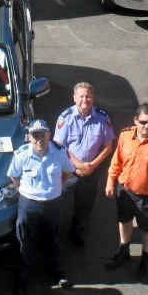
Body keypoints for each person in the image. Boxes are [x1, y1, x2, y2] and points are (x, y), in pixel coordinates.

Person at [104, 103, 148, 283]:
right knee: (124, 220)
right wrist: (110, 181)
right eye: (143, 122)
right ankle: (124, 250)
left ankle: (146, 257)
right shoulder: (125, 136)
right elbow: (117, 161)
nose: (146, 127)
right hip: (125, 191)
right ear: (135, 120)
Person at [7, 119, 75, 294]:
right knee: (25, 241)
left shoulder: (59, 152)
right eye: (35, 135)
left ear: (49, 135)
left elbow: (67, 172)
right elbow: (14, 176)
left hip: (53, 203)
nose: (39, 139)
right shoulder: (21, 154)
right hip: (29, 204)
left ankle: (55, 272)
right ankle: (22, 278)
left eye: (42, 135)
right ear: (29, 137)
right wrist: (27, 190)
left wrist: (55, 188)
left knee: (52, 239)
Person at [52, 81, 115, 246]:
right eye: (81, 96)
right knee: (57, 201)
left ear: (93, 98)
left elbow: (109, 146)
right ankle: (53, 233)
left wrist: (92, 165)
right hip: (68, 171)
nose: (84, 100)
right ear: (74, 98)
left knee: (85, 206)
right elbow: (59, 146)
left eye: (88, 96)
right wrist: (78, 165)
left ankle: (77, 232)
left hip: (91, 172)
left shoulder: (102, 118)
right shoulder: (65, 118)